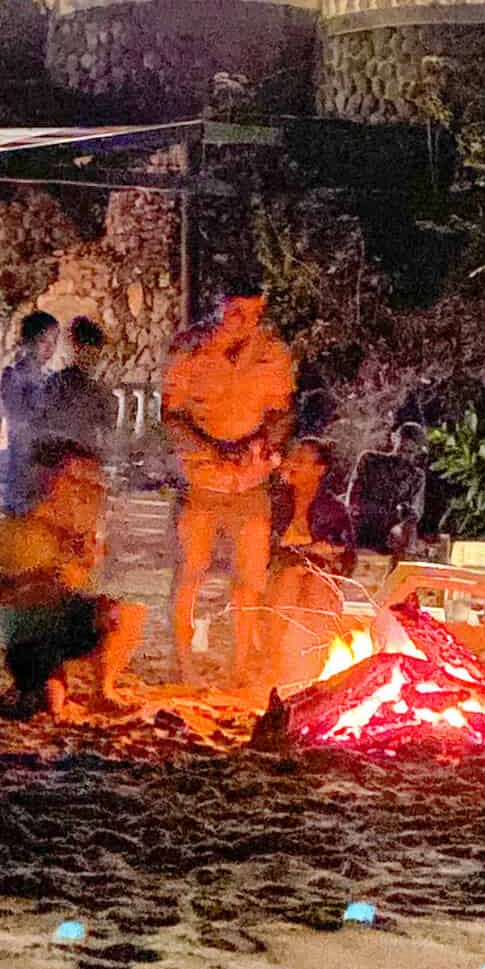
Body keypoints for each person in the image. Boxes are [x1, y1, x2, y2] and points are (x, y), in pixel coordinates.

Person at [162, 282, 295, 683]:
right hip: (201, 481)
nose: (247, 322)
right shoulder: (191, 350)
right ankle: (183, 662)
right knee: (191, 571)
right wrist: (213, 448)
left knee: (249, 579)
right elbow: (171, 416)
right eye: (238, 312)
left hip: (251, 484)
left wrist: (262, 443)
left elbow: (282, 413)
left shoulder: (272, 353)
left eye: (255, 313)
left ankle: (239, 665)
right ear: (221, 307)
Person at [0, 438, 145, 719]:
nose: (83, 489)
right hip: (30, 635)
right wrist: (41, 580)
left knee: (128, 613)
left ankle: (103, 690)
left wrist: (80, 563)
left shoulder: (76, 528)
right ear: (48, 478)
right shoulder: (20, 528)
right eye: (73, 478)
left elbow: (79, 583)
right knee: (50, 703)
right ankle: (30, 688)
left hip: (63, 622)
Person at [254, 438, 355, 696]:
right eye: (293, 457)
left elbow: (344, 553)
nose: (293, 464)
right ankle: (272, 661)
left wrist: (313, 556)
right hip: (281, 570)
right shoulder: (275, 501)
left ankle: (316, 668)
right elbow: (264, 547)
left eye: (302, 459)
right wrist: (302, 553)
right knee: (290, 577)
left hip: (317, 572)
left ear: (319, 469)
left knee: (315, 583)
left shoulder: (332, 508)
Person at [0, 310, 59, 514]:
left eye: (54, 341)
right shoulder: (14, 375)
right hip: (25, 457)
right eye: (44, 341)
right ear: (29, 341)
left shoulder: (50, 378)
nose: (50, 348)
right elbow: (18, 416)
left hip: (47, 460)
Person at [42, 317, 114, 456]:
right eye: (88, 352)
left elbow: (102, 428)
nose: (93, 359)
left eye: (95, 354)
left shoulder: (94, 389)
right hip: (63, 455)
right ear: (77, 349)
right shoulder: (58, 383)